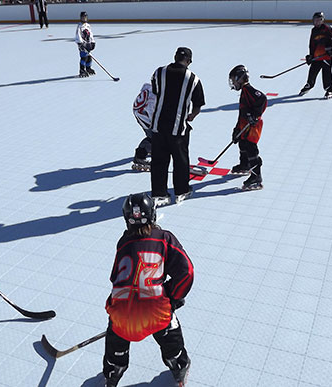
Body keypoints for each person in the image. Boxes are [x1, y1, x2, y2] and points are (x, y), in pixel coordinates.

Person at [103, 193, 194, 387]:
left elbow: (116, 280)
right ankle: (178, 365)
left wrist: (115, 308)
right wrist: (173, 297)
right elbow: (186, 272)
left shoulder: (122, 243)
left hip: (122, 316)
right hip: (156, 314)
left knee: (116, 333)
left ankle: (113, 372)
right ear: (153, 214)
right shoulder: (164, 238)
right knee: (168, 327)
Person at [150, 47, 205, 206]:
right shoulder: (193, 78)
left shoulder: (159, 72)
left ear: (174, 57)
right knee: (180, 161)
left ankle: (159, 193)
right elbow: (198, 104)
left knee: (159, 161)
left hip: (158, 126)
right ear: (188, 61)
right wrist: (192, 116)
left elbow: (156, 91)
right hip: (178, 128)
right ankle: (181, 191)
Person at [228, 65, 267, 191]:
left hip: (253, 126)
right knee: (242, 144)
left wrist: (254, 116)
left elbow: (262, 99)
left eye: (234, 80)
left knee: (251, 149)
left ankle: (256, 176)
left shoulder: (249, 90)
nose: (233, 83)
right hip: (244, 124)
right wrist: (236, 128)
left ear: (240, 78)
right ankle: (245, 165)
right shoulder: (244, 92)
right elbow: (242, 112)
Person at [299, 11, 332, 99]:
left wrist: (330, 48)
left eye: (319, 20)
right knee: (312, 72)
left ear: (322, 20)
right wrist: (310, 55)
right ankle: (309, 85)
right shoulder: (313, 30)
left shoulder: (327, 28)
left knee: (326, 74)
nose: (317, 22)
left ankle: (330, 90)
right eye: (315, 20)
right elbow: (312, 44)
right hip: (317, 57)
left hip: (326, 57)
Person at [131, 82, 156, 171]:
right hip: (143, 116)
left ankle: (152, 148)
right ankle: (140, 157)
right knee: (154, 136)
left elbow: (145, 86)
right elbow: (152, 115)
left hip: (139, 111)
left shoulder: (151, 88)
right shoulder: (154, 99)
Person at [75, 11, 96, 78]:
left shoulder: (88, 26)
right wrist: (80, 43)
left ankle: (88, 68)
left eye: (85, 17)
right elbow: (78, 35)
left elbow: (90, 34)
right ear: (80, 18)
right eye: (83, 17)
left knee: (89, 57)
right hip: (82, 45)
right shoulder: (79, 26)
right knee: (84, 57)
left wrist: (93, 42)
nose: (84, 19)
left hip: (88, 44)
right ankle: (82, 70)